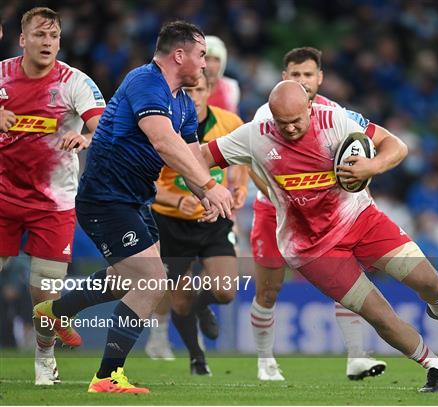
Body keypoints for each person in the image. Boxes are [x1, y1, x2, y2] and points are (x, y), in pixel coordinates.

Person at [200, 80, 438, 392]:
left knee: (428, 280)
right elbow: (200, 157)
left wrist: (373, 166)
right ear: (272, 116)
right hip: (311, 249)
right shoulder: (255, 135)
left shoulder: (335, 120)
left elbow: (397, 145)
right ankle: (435, 367)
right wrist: (207, 189)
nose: (291, 129)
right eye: (282, 123)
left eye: (297, 120)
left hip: (361, 221)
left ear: (310, 108)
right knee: (378, 314)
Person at [34, 20, 234, 394]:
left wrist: (207, 195)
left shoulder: (183, 104)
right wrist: (208, 187)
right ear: (179, 55)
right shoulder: (145, 81)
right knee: (152, 281)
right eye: (202, 55)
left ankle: (54, 312)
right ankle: (107, 377)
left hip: (135, 200)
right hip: (105, 198)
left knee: (125, 280)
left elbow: (190, 158)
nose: (205, 64)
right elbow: (162, 141)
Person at [249, 47, 385, 381]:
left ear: (320, 78)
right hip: (274, 210)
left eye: (308, 75)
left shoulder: (335, 114)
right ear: (284, 78)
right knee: (268, 290)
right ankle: (265, 361)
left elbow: (354, 162)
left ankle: (356, 357)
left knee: (347, 279)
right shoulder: (265, 116)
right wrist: (283, 199)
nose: (302, 81)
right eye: (295, 75)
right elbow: (249, 165)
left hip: (322, 213)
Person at [0, 7, 105, 385]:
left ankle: (45, 359)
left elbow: (104, 129)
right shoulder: (0, 76)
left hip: (52, 202)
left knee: (43, 293)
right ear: (22, 39)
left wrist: (86, 138)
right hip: (2, 198)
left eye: (54, 36)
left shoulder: (75, 82)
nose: (48, 43)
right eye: (40, 35)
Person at [147, 71, 248, 375]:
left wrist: (240, 188)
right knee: (179, 301)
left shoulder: (230, 123)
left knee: (226, 291)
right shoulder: (160, 127)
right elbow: (147, 184)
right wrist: (178, 200)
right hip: (171, 222)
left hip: (214, 218)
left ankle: (203, 306)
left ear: (210, 90)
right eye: (187, 91)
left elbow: (241, 160)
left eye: (199, 90)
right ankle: (197, 357)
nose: (193, 96)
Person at [205, 35, 241, 113]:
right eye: (206, 58)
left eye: (216, 60)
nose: (211, 66)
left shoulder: (231, 87)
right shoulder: (186, 88)